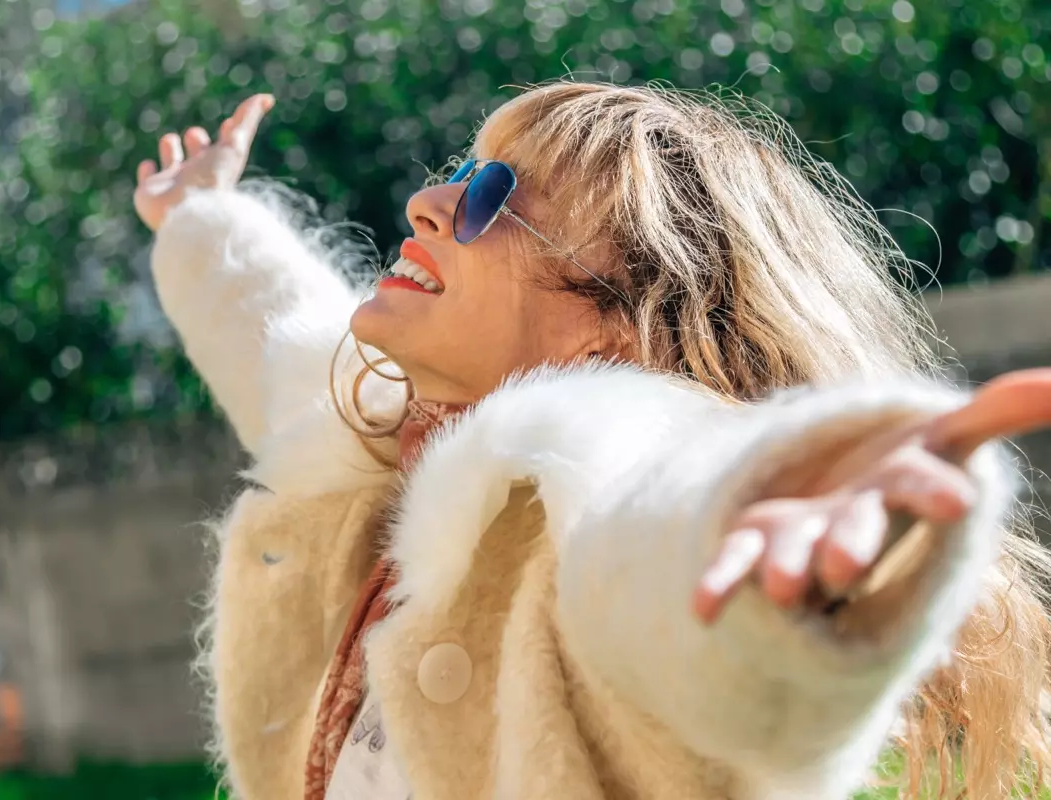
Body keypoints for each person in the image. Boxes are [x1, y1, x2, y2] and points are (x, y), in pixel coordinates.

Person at [133, 82, 1051, 800]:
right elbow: (268, 325)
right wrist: (202, 218)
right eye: (458, 169)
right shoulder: (378, 438)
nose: (426, 201)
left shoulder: (612, 485)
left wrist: (772, 563)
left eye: (491, 195)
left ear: (616, 331)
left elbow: (671, 572)